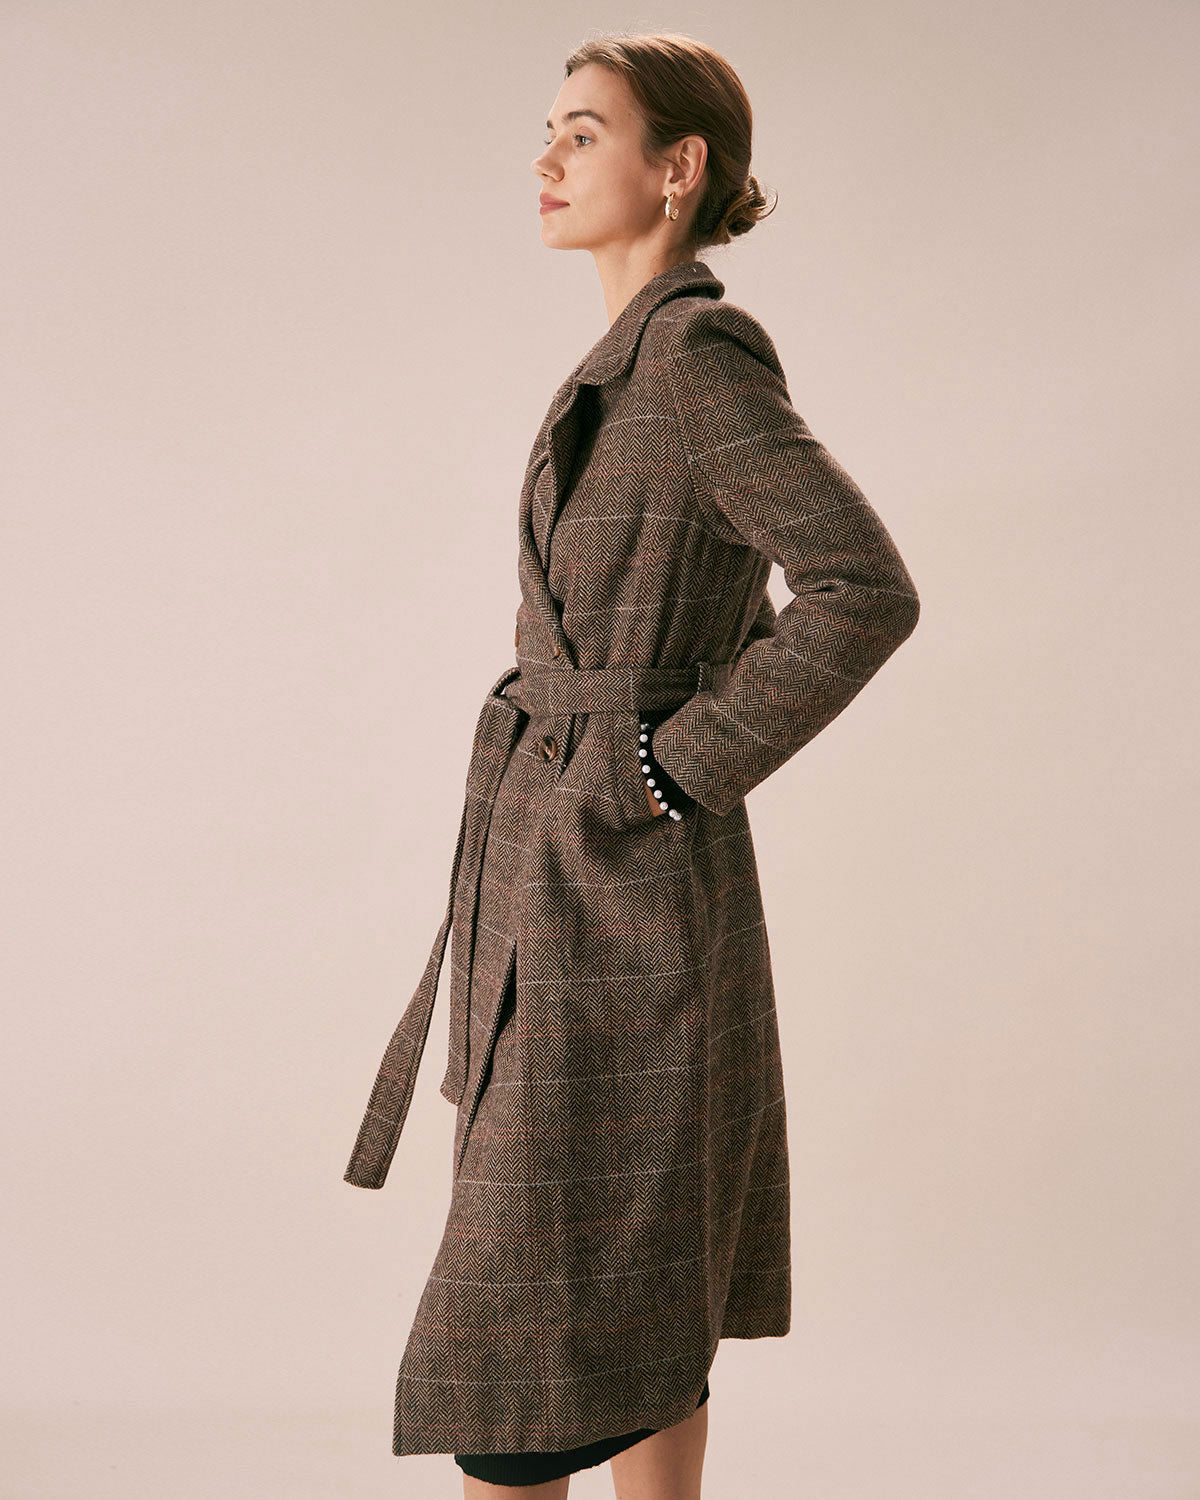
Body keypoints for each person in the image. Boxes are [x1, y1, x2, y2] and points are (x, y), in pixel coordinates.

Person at [342, 30, 921, 1499]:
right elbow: (739, 600)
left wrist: (668, 769)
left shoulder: (696, 359)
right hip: (565, 872)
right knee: (622, 1287)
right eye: (548, 129)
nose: (544, 158)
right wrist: (640, 746)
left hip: (623, 873)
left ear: (679, 168)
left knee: (535, 1335)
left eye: (583, 132)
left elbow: (862, 588)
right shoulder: (631, 359)